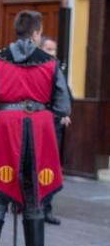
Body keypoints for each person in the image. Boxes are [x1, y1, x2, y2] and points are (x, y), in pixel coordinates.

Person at [0, 11, 71, 246]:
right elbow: (63, 106)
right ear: (37, 33)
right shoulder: (51, 64)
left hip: (4, 131)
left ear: (16, 30)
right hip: (38, 133)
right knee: (35, 200)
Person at [40, 35, 72, 226]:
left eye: (54, 49)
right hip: (40, 125)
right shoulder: (37, 69)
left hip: (55, 126)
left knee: (50, 168)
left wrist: (64, 112)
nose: (52, 53)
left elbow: (65, 94)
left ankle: (46, 207)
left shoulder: (56, 69)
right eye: (49, 49)